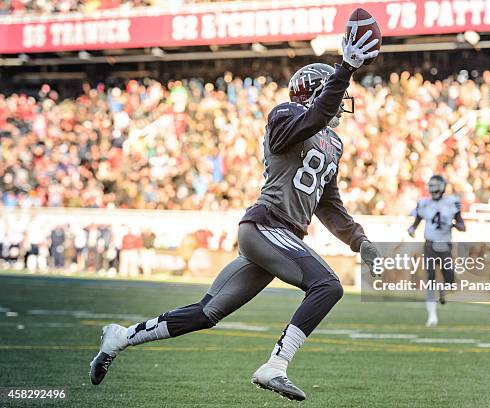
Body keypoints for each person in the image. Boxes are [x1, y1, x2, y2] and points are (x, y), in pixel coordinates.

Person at [89, 28, 381, 402]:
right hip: (267, 225)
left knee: (206, 312)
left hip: (281, 236)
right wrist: (345, 69)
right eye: (333, 94)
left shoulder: (334, 142)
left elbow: (328, 203)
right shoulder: (285, 115)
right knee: (327, 285)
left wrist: (361, 241)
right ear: (315, 91)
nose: (341, 104)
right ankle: (276, 364)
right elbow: (312, 119)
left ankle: (120, 337)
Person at [407, 175, 465, 327]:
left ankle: (443, 290)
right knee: (430, 278)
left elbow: (462, 225)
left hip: (445, 245)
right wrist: (412, 228)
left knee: (450, 280)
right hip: (430, 245)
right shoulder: (424, 203)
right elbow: (416, 221)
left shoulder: (452, 202)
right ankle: (432, 316)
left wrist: (454, 225)